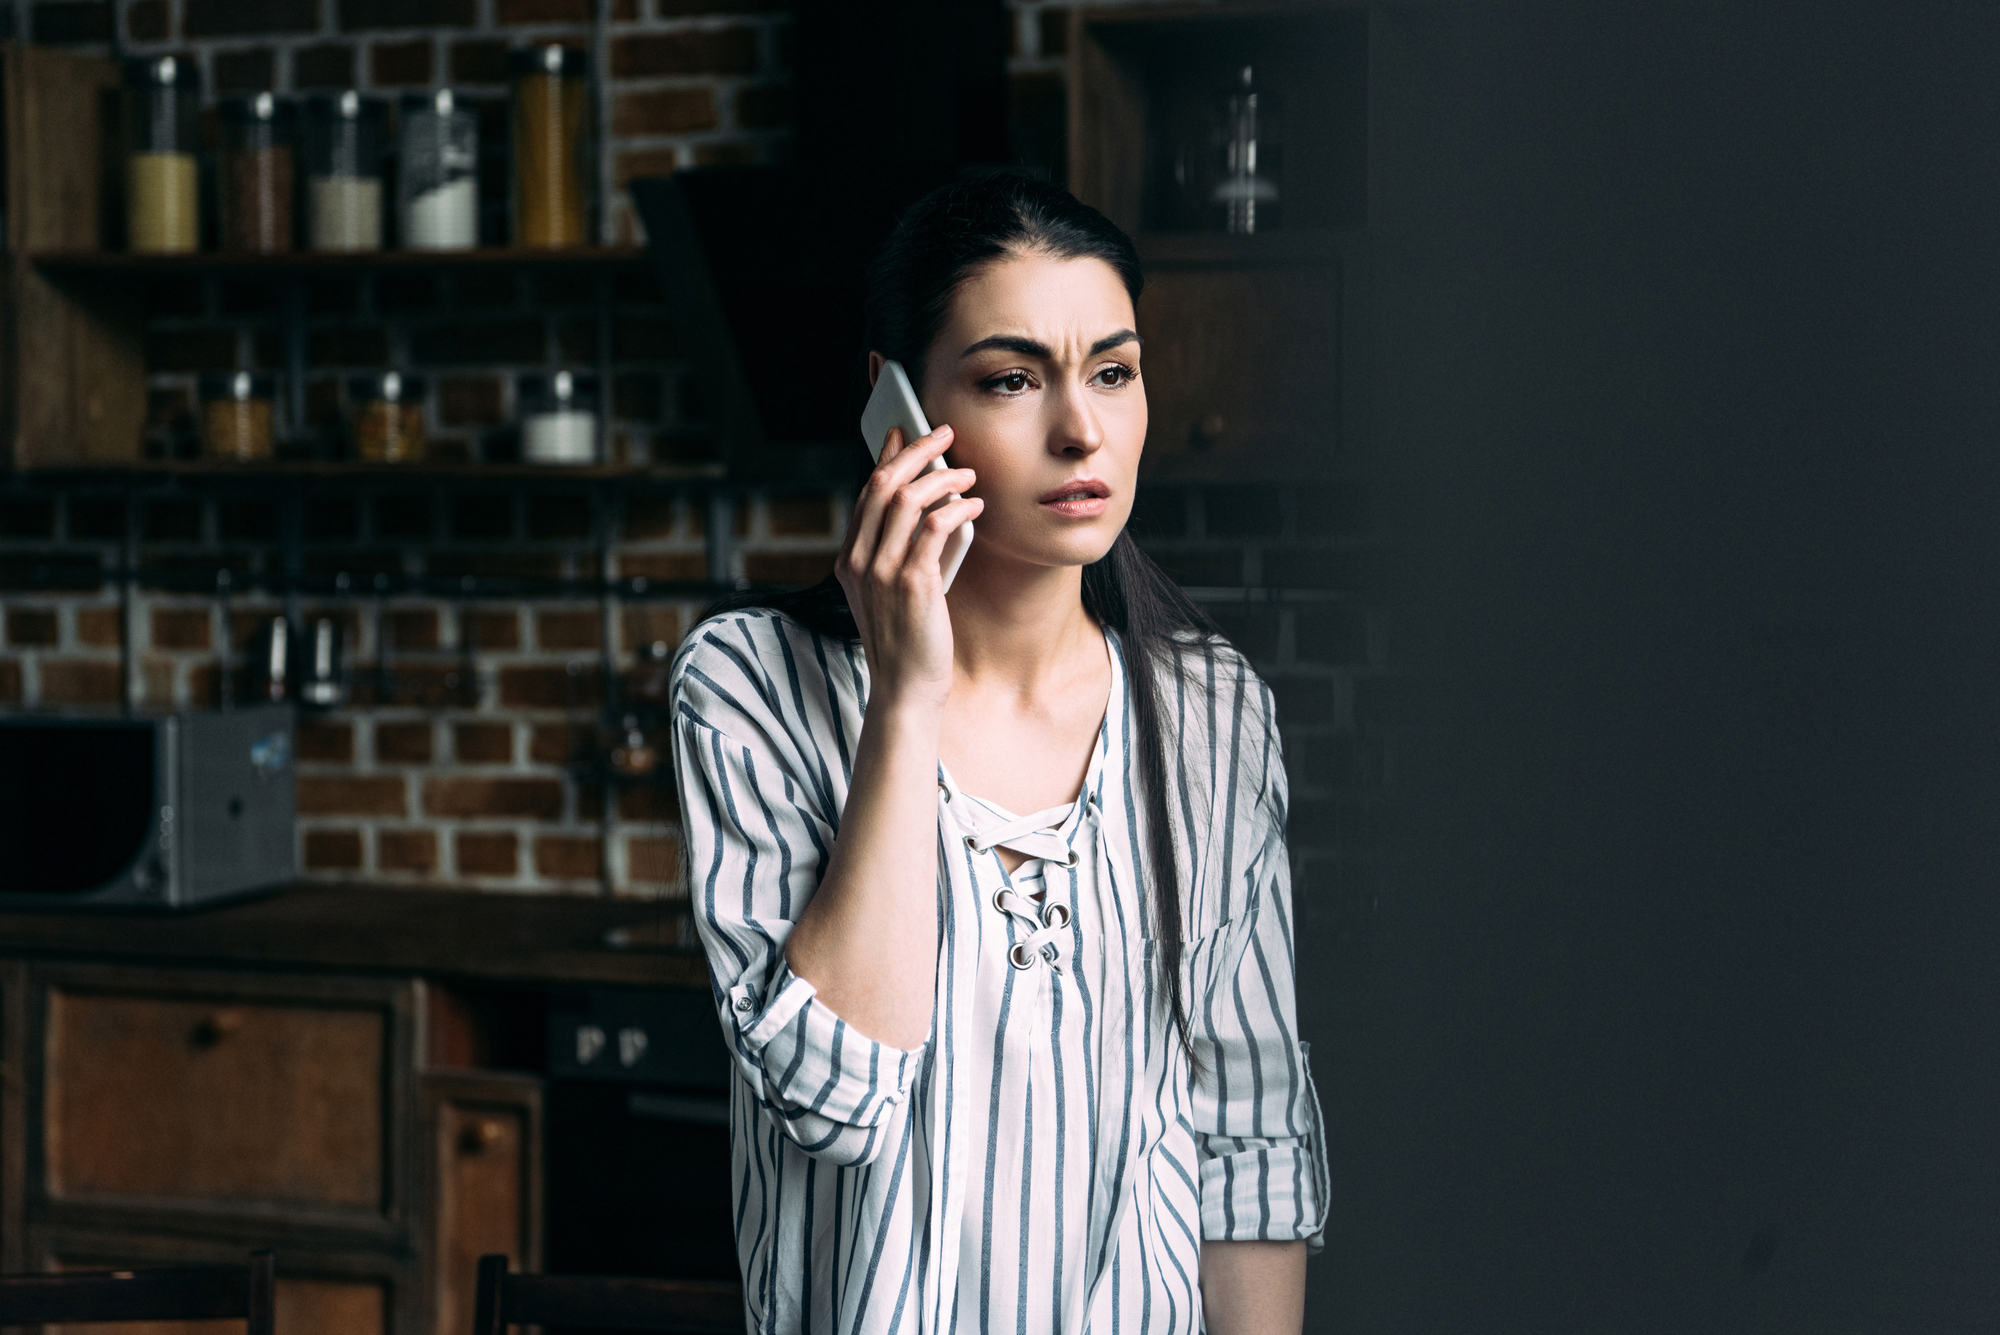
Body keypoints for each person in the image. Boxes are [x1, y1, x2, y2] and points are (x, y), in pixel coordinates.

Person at [670, 172, 1327, 1335]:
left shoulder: (1211, 712)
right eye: (1011, 379)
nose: (1080, 428)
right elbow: (831, 1102)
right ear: (895, 412)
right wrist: (904, 698)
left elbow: (1247, 1132)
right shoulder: (750, 685)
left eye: (1112, 371)